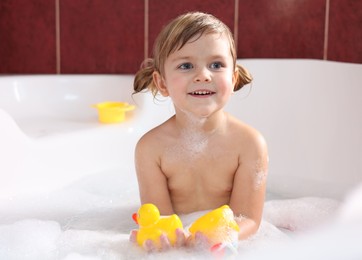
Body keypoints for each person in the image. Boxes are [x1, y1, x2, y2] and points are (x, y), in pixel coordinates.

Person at [131, 11, 268, 251]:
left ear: (233, 78)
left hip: (223, 248)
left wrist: (219, 237)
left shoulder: (249, 144)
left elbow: (249, 220)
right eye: (186, 65)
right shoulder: (151, 148)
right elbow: (161, 220)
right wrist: (162, 238)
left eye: (216, 65)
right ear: (162, 83)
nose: (203, 75)